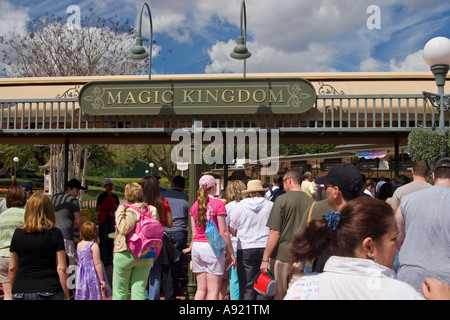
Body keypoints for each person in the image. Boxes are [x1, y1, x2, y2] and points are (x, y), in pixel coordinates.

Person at [285, 197, 423, 300]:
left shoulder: (300, 291)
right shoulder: (401, 294)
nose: (398, 246)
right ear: (369, 246)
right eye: (393, 239)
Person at [292, 163, 364, 276]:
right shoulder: (367, 217)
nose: (325, 191)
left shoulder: (336, 223)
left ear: (335, 191)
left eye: (326, 187)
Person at [396, 157, 450, 294]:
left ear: (433, 176)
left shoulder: (408, 200)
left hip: (410, 281)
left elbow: (397, 238)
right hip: (445, 285)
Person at [260, 169, 314, 300]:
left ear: (289, 180)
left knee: (280, 294)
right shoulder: (311, 202)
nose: (283, 186)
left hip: (281, 255)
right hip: (301, 257)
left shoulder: (281, 200)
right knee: (297, 294)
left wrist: (265, 259)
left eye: (284, 182)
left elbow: (275, 232)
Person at [183, 174, 236, 300]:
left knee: (201, 289)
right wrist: (231, 253)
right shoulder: (218, 204)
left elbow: (194, 233)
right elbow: (223, 231)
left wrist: (190, 247)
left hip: (197, 247)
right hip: (213, 248)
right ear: (214, 186)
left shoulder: (195, 206)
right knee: (213, 290)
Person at [9, 192, 70, 300]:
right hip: (49, 288)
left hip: (21, 290)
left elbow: (12, 267)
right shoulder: (55, 233)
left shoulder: (18, 233)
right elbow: (61, 267)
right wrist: (66, 293)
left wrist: (12, 289)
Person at [112, 182, 157, 300]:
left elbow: (124, 228)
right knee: (139, 291)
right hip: (145, 253)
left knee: (120, 292)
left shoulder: (130, 210)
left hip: (125, 252)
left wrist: (120, 209)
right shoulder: (151, 210)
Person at [229, 180, 273, 300]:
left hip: (245, 246)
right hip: (265, 246)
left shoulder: (239, 206)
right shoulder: (270, 205)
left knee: (246, 284)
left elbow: (231, 228)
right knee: (263, 284)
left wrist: (240, 233)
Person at [141, 175, 173, 300]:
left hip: (141, 242)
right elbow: (170, 224)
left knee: (142, 274)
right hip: (157, 242)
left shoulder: (139, 205)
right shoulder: (163, 202)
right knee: (155, 274)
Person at [160, 175, 189, 300]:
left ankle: (162, 289)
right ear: (184, 186)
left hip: (165, 232)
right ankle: (170, 295)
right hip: (179, 232)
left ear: (172, 185)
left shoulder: (165, 197)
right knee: (175, 265)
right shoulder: (187, 199)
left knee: (162, 264)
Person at [0, 186, 27, 299]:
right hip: (22, 257)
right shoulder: (27, 215)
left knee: (8, 293)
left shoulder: (1, 217)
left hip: (3, 257)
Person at [52, 178, 85, 267]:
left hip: (52, 233)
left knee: (56, 260)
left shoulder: (54, 197)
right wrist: (83, 234)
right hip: (66, 235)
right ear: (69, 189)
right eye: (77, 190)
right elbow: (78, 221)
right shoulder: (73, 200)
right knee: (70, 260)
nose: (78, 193)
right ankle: (69, 280)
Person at [75, 221, 112, 300]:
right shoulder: (93, 245)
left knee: (85, 293)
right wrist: (101, 280)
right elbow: (97, 263)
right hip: (93, 274)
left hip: (82, 274)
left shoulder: (79, 244)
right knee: (95, 293)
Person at [95, 178, 120, 267]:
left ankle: (110, 258)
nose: (111, 186)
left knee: (111, 239)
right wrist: (104, 206)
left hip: (111, 219)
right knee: (104, 239)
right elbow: (96, 209)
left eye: (112, 185)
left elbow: (118, 208)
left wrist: (114, 206)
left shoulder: (115, 196)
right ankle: (103, 258)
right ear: (105, 186)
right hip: (104, 219)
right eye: (109, 185)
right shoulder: (102, 196)